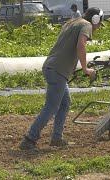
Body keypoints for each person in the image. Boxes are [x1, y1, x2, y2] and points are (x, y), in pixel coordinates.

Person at [20, 7, 105, 151]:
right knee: (51, 107)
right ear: (95, 19)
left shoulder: (72, 22)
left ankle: (56, 138)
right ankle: (29, 139)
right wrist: (85, 69)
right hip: (57, 70)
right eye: (99, 23)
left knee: (65, 104)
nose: (99, 27)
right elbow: (81, 46)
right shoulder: (87, 25)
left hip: (52, 67)